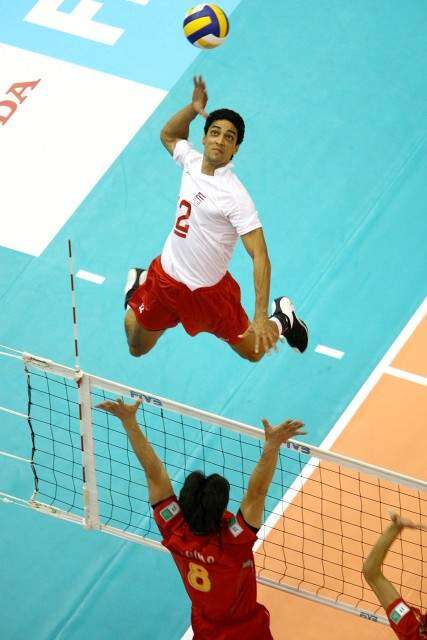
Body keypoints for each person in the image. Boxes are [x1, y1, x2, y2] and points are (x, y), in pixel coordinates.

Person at [124, 75, 308, 362]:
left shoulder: (235, 196)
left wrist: (261, 316)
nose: (220, 140)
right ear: (204, 137)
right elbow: (169, 135)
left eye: (229, 137)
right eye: (215, 132)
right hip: (166, 281)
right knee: (136, 347)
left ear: (235, 149)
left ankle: (283, 319)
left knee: (254, 353)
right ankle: (138, 288)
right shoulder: (191, 161)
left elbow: (260, 255)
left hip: (210, 295)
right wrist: (193, 108)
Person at [96, 397, 306, 640]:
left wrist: (128, 421)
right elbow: (256, 493)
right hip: (247, 632)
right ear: (220, 510)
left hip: (205, 629)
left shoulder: (174, 527)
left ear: (183, 505)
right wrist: (272, 444)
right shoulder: (233, 541)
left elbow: (154, 474)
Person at [363, 512, 427, 639]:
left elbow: (371, 572)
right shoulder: (409, 631)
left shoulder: (409, 630)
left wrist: (395, 527)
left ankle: (397, 525)